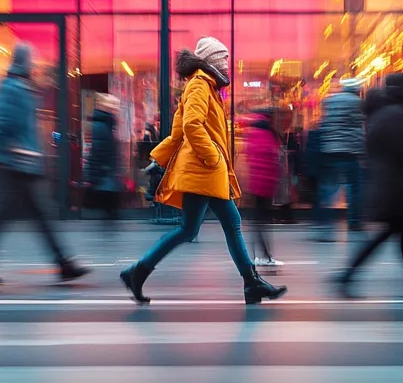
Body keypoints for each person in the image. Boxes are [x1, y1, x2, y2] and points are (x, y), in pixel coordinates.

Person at [119, 37, 286, 305]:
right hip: (202, 170)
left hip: (205, 171)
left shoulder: (206, 86)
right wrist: (212, 158)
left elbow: (176, 133)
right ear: (212, 61)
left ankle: (138, 273)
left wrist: (158, 158)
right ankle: (250, 283)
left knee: (201, 228)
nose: (227, 65)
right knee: (216, 226)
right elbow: (191, 126)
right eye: (224, 60)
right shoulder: (199, 85)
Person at [0, 43, 90, 286]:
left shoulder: (21, 87)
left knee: (35, 216)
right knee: (6, 217)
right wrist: (13, 150)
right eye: (31, 62)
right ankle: (61, 263)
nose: (33, 66)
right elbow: (3, 124)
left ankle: (62, 263)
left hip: (24, 165)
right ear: (23, 62)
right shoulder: (11, 88)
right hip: (14, 166)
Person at [334, 75, 403, 298]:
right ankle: (349, 274)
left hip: (392, 186)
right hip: (398, 188)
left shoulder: (385, 114)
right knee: (393, 235)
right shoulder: (396, 116)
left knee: (402, 237)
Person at [315, 77, 365, 236]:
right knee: (353, 187)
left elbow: (324, 125)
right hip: (349, 151)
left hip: (330, 149)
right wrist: (362, 150)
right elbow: (358, 128)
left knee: (329, 187)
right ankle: (354, 222)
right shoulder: (356, 102)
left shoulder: (330, 101)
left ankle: (324, 221)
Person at [244, 107, 283, 269]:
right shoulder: (270, 134)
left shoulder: (252, 133)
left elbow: (249, 157)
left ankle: (257, 255)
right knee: (261, 222)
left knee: (258, 221)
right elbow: (274, 159)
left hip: (255, 183)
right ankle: (264, 256)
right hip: (267, 184)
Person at [84, 93, 123, 233]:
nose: (115, 108)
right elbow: (98, 150)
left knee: (110, 209)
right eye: (112, 105)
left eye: (116, 105)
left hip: (108, 172)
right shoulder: (101, 125)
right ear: (103, 106)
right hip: (105, 172)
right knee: (110, 208)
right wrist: (97, 172)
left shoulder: (107, 123)